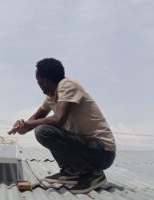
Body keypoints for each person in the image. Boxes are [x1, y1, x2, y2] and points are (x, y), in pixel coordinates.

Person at [8, 58, 116, 194]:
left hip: (102, 152)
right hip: (88, 148)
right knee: (43, 128)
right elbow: (35, 119)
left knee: (44, 130)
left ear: (44, 80)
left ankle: (94, 175)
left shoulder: (68, 85)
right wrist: (22, 127)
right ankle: (71, 171)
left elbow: (58, 119)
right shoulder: (51, 96)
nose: (38, 85)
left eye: (38, 81)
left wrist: (30, 124)